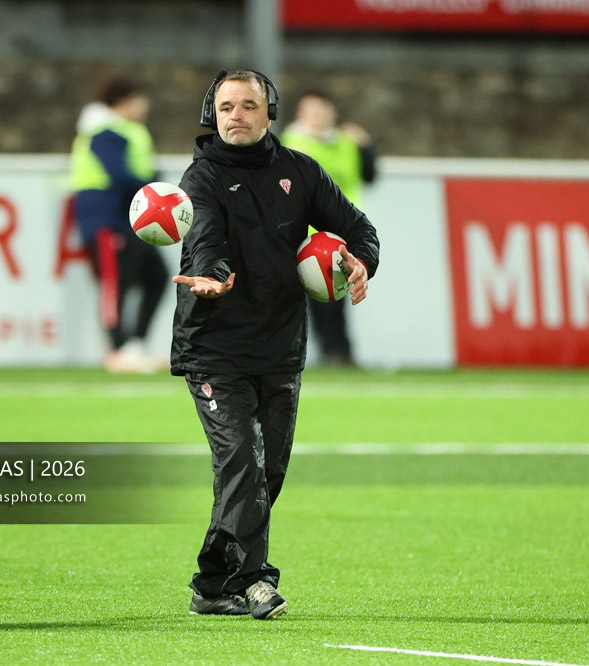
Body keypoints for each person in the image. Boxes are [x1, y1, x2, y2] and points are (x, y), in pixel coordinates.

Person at [171, 70, 380, 620]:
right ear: (210, 113)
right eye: (225, 106)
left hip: (281, 345)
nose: (235, 115)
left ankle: (214, 585)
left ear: (270, 113)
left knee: (268, 474)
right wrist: (214, 272)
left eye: (247, 105)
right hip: (213, 344)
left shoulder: (301, 171)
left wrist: (361, 263)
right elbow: (205, 239)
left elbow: (359, 229)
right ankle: (256, 580)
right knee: (242, 460)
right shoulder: (200, 179)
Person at [70, 76, 168, 373]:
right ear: (123, 101)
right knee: (114, 285)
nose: (145, 105)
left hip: (129, 220)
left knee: (157, 277)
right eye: (139, 98)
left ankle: (135, 344)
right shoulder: (102, 131)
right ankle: (117, 349)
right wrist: (151, 186)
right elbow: (119, 175)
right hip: (106, 219)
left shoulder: (127, 131)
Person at [282, 89, 379, 367]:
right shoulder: (291, 143)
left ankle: (338, 354)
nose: (316, 117)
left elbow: (369, 176)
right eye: (311, 111)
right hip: (303, 233)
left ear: (333, 114)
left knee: (334, 297)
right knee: (301, 299)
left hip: (341, 232)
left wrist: (367, 146)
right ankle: (324, 354)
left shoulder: (347, 144)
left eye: (322, 111)